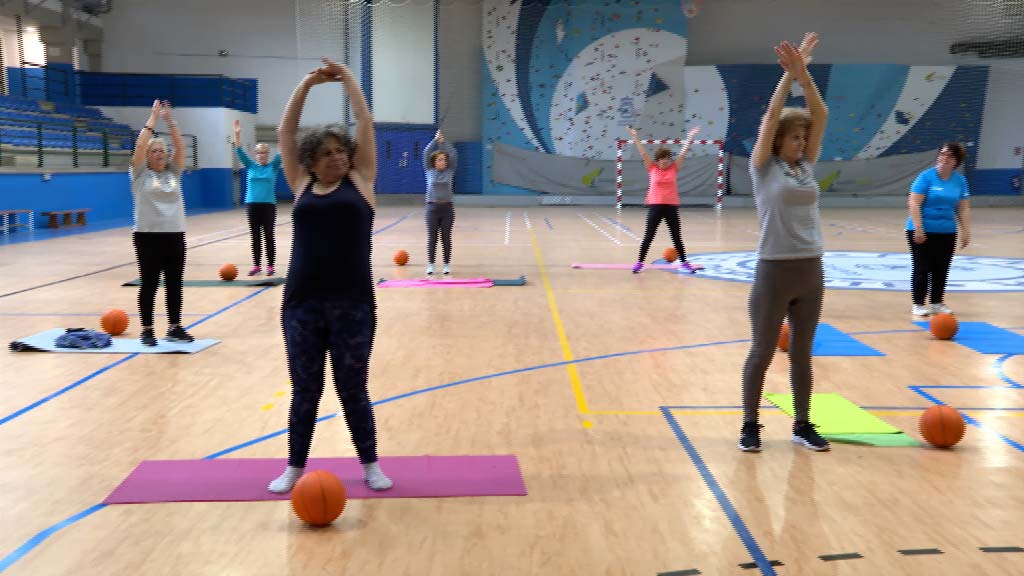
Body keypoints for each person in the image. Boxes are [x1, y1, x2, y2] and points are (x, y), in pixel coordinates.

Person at [268, 57, 392, 494]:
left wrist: (349, 79)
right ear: (312, 161)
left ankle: (370, 464)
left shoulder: (362, 180)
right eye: (327, 153)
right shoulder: (301, 183)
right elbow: (286, 131)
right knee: (305, 389)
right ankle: (294, 467)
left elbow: (365, 122)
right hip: (301, 303)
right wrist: (307, 84)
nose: (337, 157)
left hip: (353, 304)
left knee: (352, 388)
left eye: (341, 150)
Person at [739, 33, 829, 452]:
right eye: (794, 137)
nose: (801, 142)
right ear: (778, 139)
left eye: (803, 138)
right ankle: (750, 425)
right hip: (774, 269)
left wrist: (804, 75)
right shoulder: (762, 167)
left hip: (810, 269)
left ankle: (802, 424)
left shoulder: (806, 166)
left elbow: (821, 114)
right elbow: (772, 115)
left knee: (802, 353)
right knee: (761, 351)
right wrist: (788, 77)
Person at [130, 99, 194, 347]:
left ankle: (174, 327)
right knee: (149, 283)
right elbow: (139, 145)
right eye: (154, 151)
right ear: (147, 156)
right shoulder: (139, 174)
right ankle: (147, 329)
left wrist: (170, 121)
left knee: (174, 283)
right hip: (147, 236)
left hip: (175, 234)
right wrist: (153, 119)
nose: (159, 154)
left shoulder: (173, 172)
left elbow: (180, 146)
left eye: (162, 151)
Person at [906, 143, 971, 316]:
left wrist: (965, 231)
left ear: (956, 161)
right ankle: (919, 304)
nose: (944, 158)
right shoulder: (925, 177)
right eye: (942, 154)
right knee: (922, 267)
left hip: (947, 231)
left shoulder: (960, 181)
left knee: (941, 268)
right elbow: (914, 203)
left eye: (949, 155)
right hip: (922, 229)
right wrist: (919, 228)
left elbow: (963, 208)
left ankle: (937, 302)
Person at [627, 126, 703, 274]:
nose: (665, 161)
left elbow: (683, 152)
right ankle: (639, 263)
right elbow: (643, 152)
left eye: (668, 159)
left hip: (671, 207)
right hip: (655, 206)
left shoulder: (674, 168)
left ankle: (684, 263)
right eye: (662, 159)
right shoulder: (652, 168)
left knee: (676, 237)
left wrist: (690, 136)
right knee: (649, 236)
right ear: (657, 160)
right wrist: (635, 137)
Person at [233, 119, 282, 277]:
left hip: (268, 205)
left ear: (268, 154)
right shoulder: (251, 165)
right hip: (252, 205)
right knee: (255, 236)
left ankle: (270, 266)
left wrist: (280, 133)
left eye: (264, 153)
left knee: (268, 235)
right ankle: (256, 266)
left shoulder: (273, 166)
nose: (261, 155)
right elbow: (239, 151)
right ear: (255, 155)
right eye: (259, 153)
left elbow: (282, 150)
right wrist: (237, 134)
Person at [423, 130, 457, 276]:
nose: (442, 162)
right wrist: (434, 141)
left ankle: (447, 264)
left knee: (445, 237)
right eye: (439, 160)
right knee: (432, 237)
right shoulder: (429, 171)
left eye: (444, 160)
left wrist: (443, 143)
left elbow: (453, 153)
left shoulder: (450, 171)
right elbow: (426, 153)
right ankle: (431, 264)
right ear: (434, 162)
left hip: (447, 208)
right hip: (431, 208)